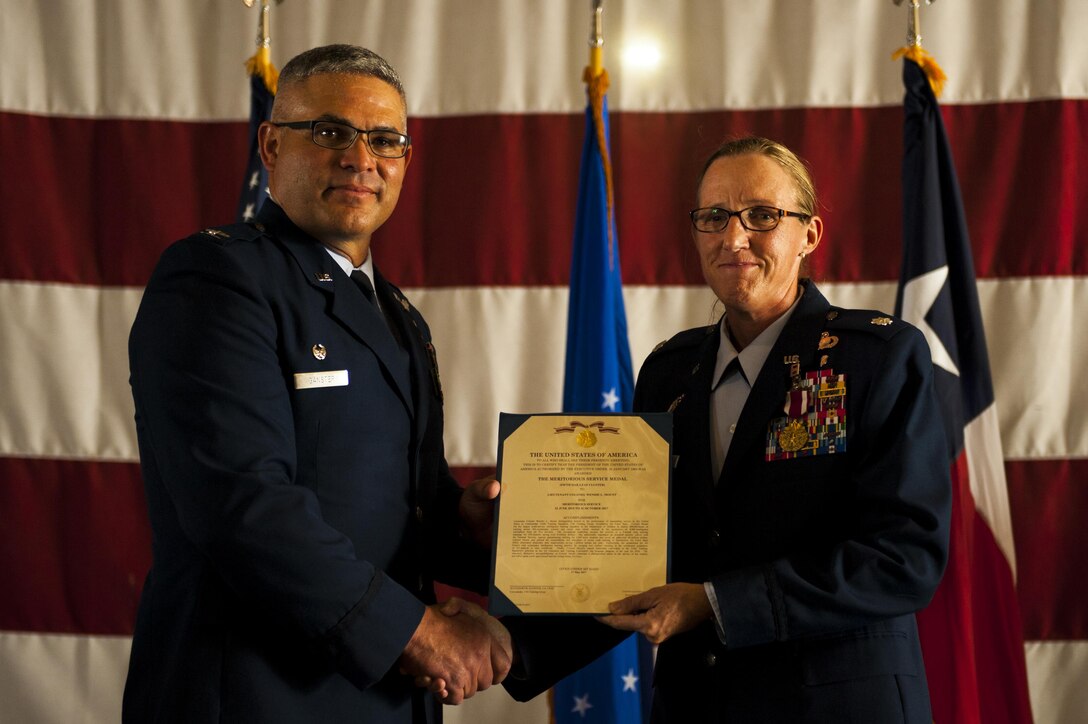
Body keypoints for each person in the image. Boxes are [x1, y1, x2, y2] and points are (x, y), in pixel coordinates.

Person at [503, 136, 951, 722]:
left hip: (837, 705)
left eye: (762, 215)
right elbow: (634, 555)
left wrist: (715, 605)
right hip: (696, 704)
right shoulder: (667, 373)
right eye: (714, 216)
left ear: (809, 235)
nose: (733, 237)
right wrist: (507, 645)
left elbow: (905, 557)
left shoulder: (877, 358)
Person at [122, 44, 509, 723]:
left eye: (384, 140)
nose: (361, 159)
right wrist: (417, 635)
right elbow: (244, 505)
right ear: (271, 146)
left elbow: (394, 505)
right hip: (253, 695)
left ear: (404, 160)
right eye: (330, 132)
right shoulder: (217, 279)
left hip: (381, 696)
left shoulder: (399, 315)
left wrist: (464, 523)